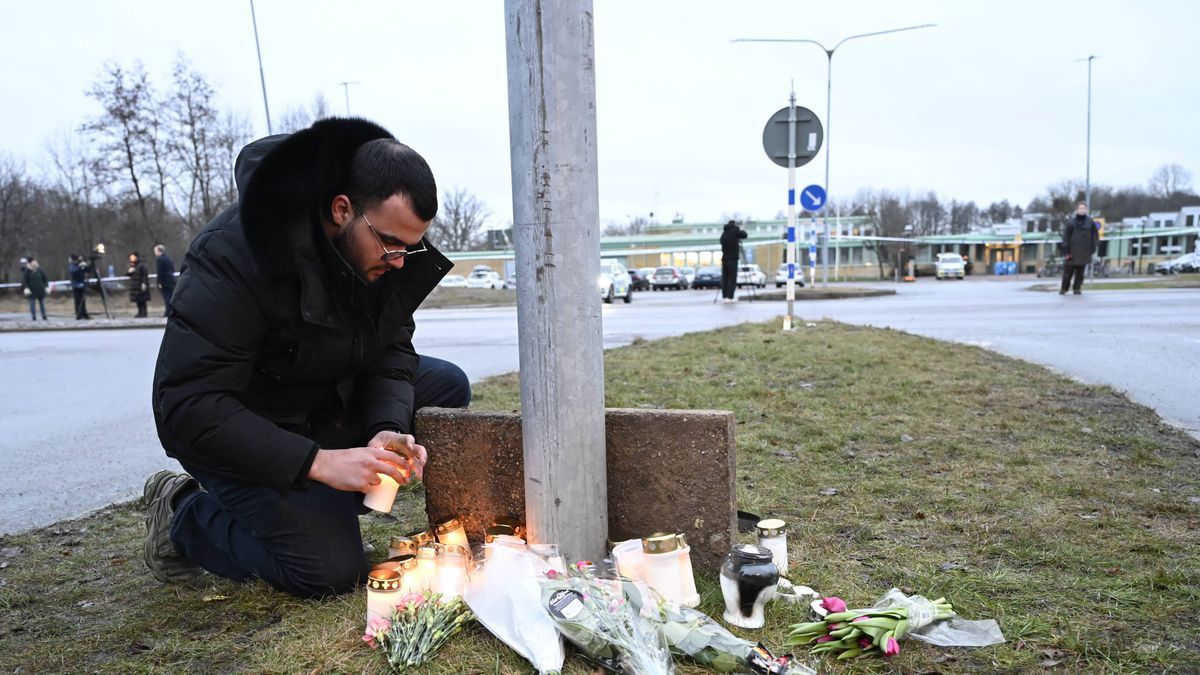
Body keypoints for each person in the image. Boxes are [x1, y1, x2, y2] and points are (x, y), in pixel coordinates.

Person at [144, 117, 470, 599]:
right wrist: (317, 463)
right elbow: (187, 407)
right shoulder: (234, 254)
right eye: (391, 244)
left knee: (445, 387)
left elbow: (392, 351)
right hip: (246, 425)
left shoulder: (382, 251)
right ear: (342, 209)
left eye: (412, 245)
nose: (401, 260)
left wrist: (387, 424)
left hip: (318, 398)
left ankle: (325, 499)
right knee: (329, 572)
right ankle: (184, 512)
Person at [1060, 201, 1099, 295]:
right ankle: (1064, 288)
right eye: (1080, 208)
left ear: (1086, 210)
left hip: (1084, 252)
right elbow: (1066, 236)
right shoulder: (1071, 222)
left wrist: (1094, 246)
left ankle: (1077, 288)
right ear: (1077, 210)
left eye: (1083, 208)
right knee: (1067, 273)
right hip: (1071, 251)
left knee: (1080, 273)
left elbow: (1095, 235)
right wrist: (1065, 248)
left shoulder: (1090, 222)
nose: (1082, 210)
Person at [719, 220, 747, 303]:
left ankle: (724, 296)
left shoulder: (724, 234)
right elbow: (744, 235)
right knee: (732, 278)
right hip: (733, 259)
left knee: (725, 278)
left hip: (724, 259)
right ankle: (730, 297)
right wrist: (739, 228)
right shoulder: (735, 231)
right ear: (734, 225)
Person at [153, 244, 176, 314]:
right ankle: (171, 310)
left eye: (155, 251)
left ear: (159, 251)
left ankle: (168, 311)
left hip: (164, 280)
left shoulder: (160, 259)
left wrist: (159, 282)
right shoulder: (169, 258)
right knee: (170, 295)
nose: (155, 252)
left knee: (166, 296)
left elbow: (160, 271)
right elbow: (173, 269)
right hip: (171, 279)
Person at [127, 251, 151, 317]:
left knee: (142, 300)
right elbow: (128, 274)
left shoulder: (141, 265)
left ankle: (144, 313)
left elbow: (144, 275)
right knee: (138, 301)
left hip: (140, 285)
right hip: (135, 286)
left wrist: (144, 283)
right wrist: (129, 272)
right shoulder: (133, 265)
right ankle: (140, 313)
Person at [69, 254, 92, 320]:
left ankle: (84, 314)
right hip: (76, 286)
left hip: (82, 285)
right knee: (78, 301)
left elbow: (87, 270)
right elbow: (73, 271)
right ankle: (79, 314)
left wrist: (90, 264)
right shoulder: (73, 265)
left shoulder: (80, 264)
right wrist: (80, 266)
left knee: (83, 301)